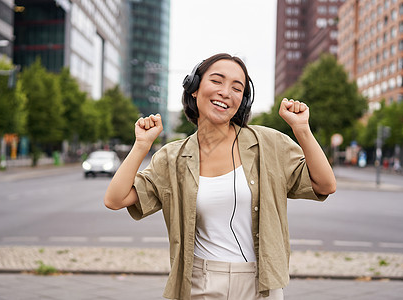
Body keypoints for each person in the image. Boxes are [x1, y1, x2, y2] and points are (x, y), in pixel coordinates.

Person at [104, 53, 336, 300]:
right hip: (200, 282)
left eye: (237, 88)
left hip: (262, 284)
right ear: (194, 88)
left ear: (243, 101)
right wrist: (141, 145)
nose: (226, 92)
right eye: (217, 81)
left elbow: (324, 184)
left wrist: (302, 129)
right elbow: (115, 199)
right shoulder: (172, 157)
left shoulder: (268, 143)